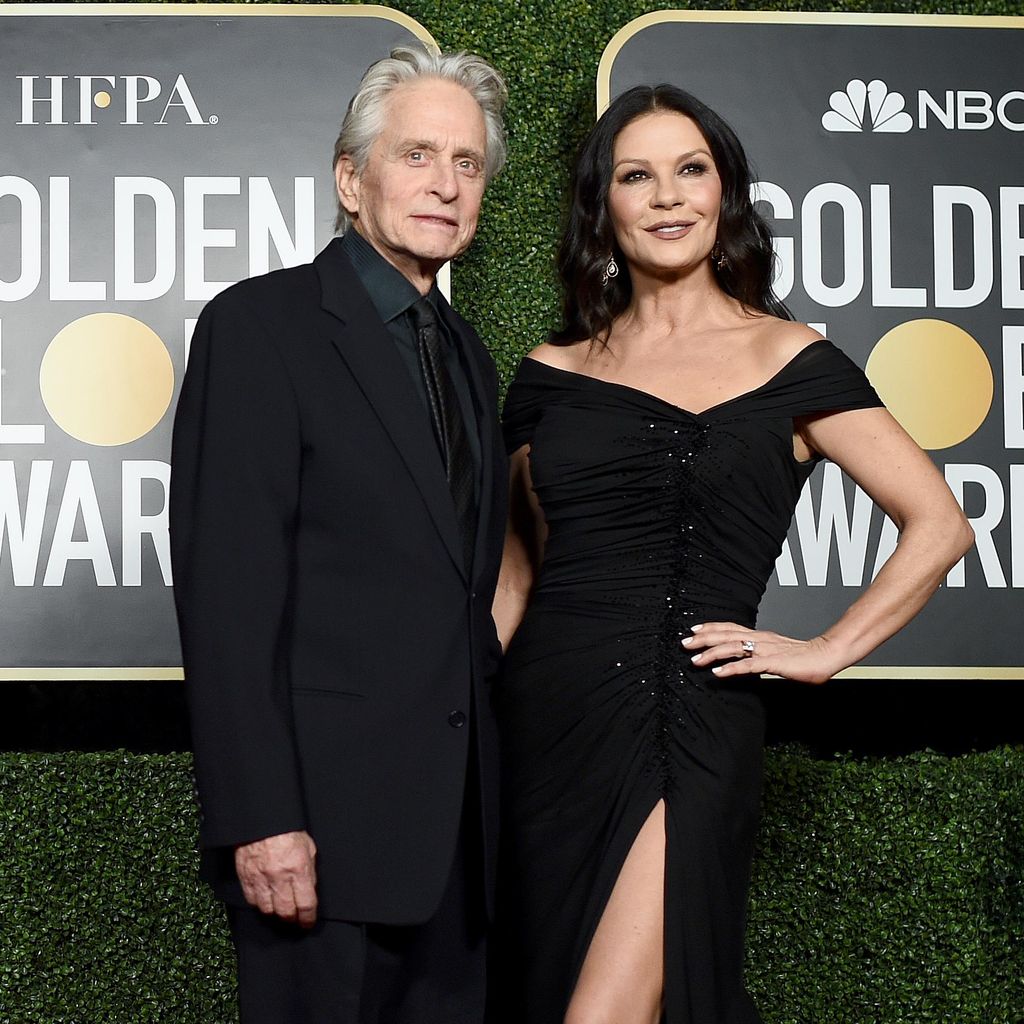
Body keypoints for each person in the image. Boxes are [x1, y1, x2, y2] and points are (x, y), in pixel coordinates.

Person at [492, 84, 974, 1024]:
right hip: (545, 728)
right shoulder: (549, 372)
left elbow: (940, 524)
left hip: (693, 718)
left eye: (691, 170)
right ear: (603, 205)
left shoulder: (791, 359)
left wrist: (824, 649)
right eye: (638, 176)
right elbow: (517, 579)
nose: (668, 197)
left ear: (725, 193)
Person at [169, 44, 508, 1024]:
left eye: (467, 163)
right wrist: (262, 817)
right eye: (416, 156)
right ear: (350, 180)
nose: (444, 184)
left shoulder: (466, 355)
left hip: (453, 855)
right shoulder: (261, 327)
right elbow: (228, 593)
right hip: (316, 839)